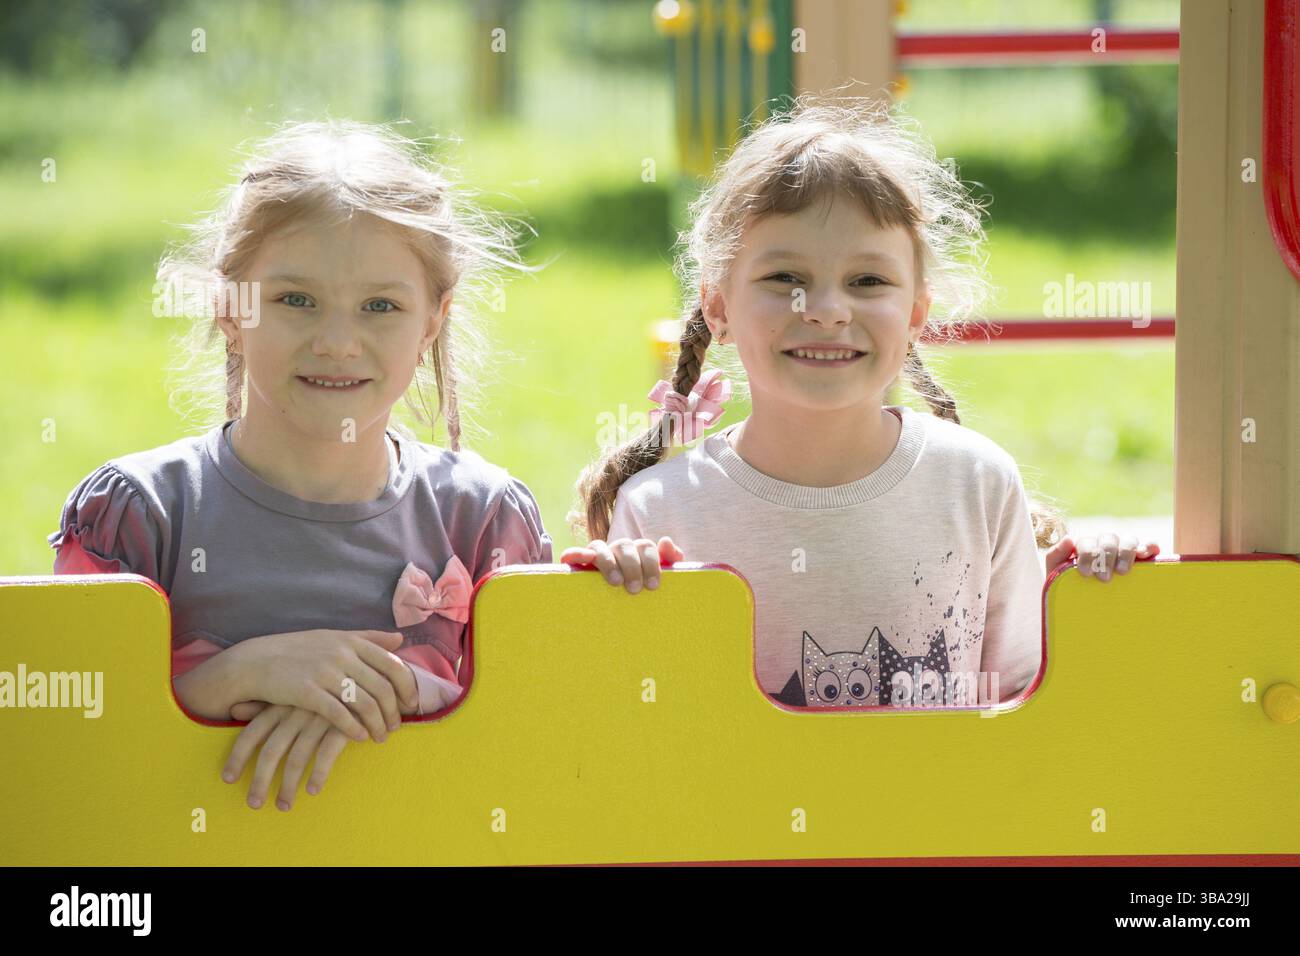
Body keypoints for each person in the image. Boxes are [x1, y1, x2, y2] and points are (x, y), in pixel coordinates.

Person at [564, 96, 1158, 710]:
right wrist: (607, 594)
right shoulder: (663, 511)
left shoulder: (976, 483)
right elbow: (626, 727)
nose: (825, 309)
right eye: (785, 279)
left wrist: (1083, 598)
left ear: (915, 315)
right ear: (718, 308)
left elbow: (1024, 708)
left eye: (868, 281)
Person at [48, 120, 551, 808]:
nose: (338, 342)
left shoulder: (483, 518)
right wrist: (239, 675)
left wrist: (396, 689)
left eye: (380, 305)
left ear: (433, 319)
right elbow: (60, 753)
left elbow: (543, 753)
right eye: (295, 300)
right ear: (230, 308)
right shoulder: (141, 514)